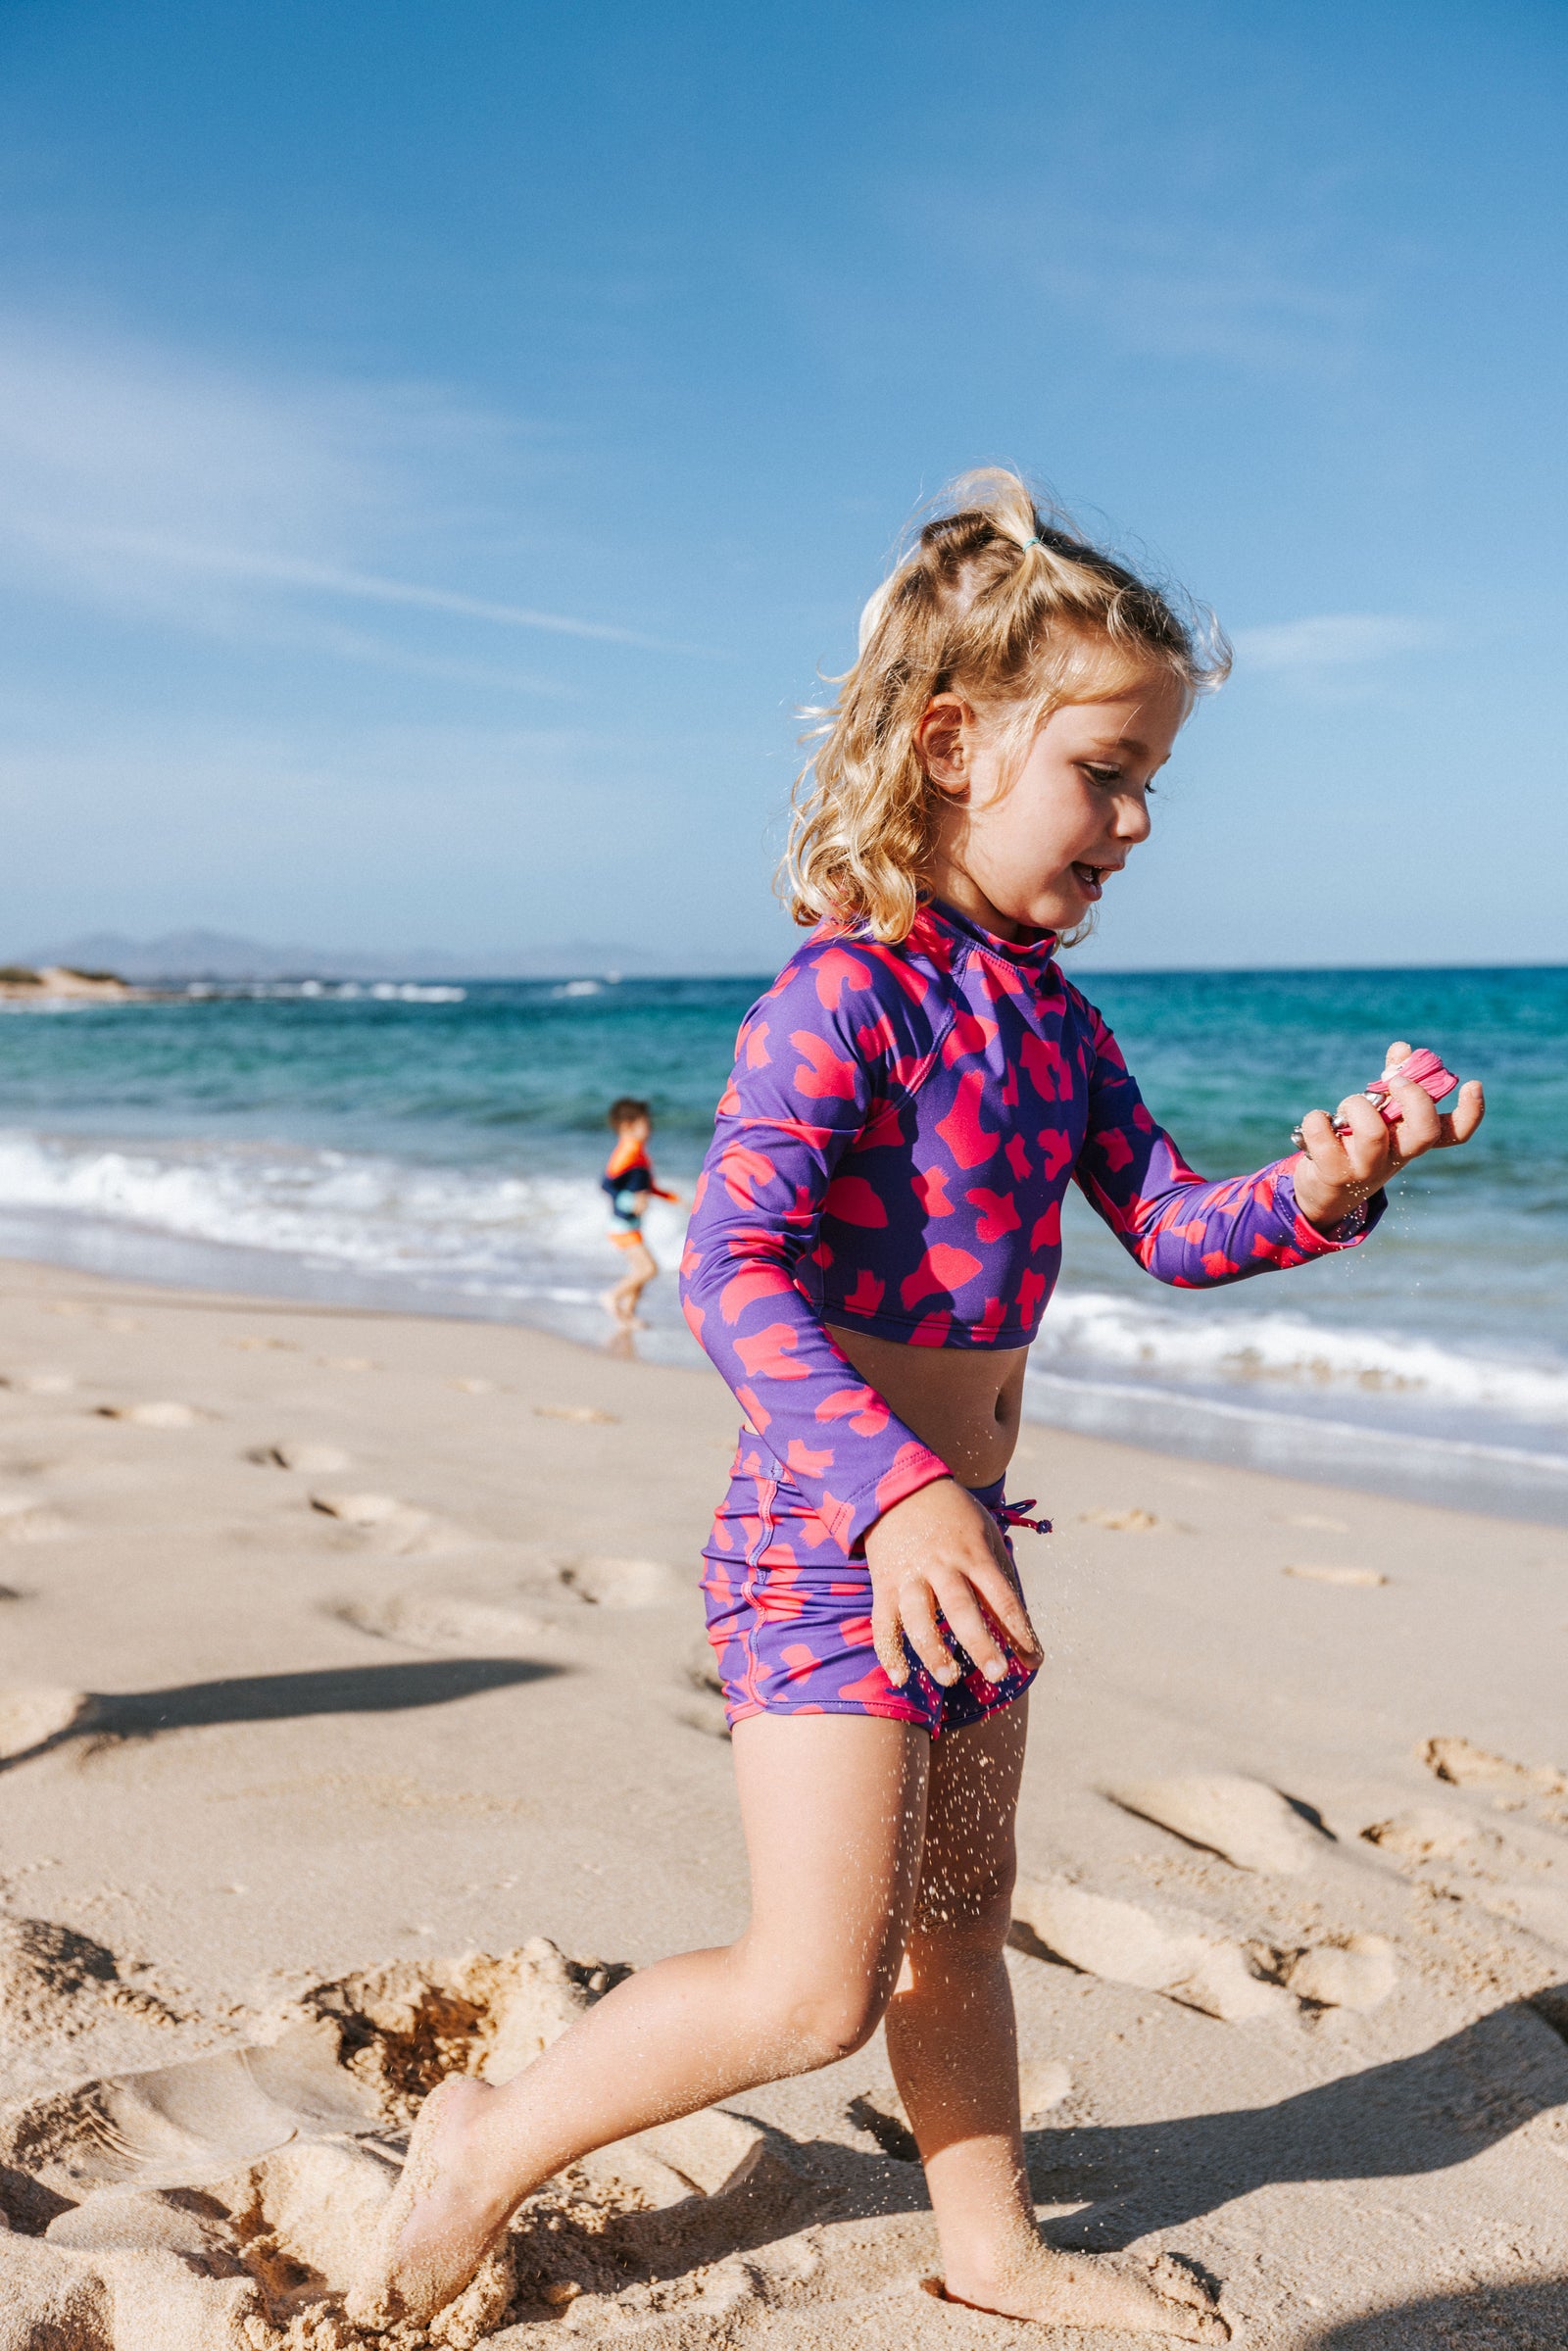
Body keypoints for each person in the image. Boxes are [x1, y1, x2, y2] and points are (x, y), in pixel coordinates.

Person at [351, 470, 1484, 2338]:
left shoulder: (1052, 1019)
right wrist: (891, 1489)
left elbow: (1179, 1227)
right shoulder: (844, 997)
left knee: (963, 1914)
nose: (1134, 822)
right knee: (814, 1986)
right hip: (833, 1535)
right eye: (1107, 770)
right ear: (954, 743)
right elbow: (730, 1267)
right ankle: (486, 2133)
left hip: (965, 1550)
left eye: (1151, 787)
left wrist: (1335, 1179)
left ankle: (989, 2240)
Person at [599, 1096, 679, 1330]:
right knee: (649, 1268)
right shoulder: (627, 1151)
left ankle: (628, 1314)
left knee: (640, 1271)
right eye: (646, 1124)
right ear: (627, 1127)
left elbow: (647, 1187)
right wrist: (628, 1201)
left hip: (630, 1224)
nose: (651, 1129)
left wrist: (671, 1197)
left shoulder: (638, 1152)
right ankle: (611, 1297)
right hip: (621, 1225)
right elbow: (607, 1184)